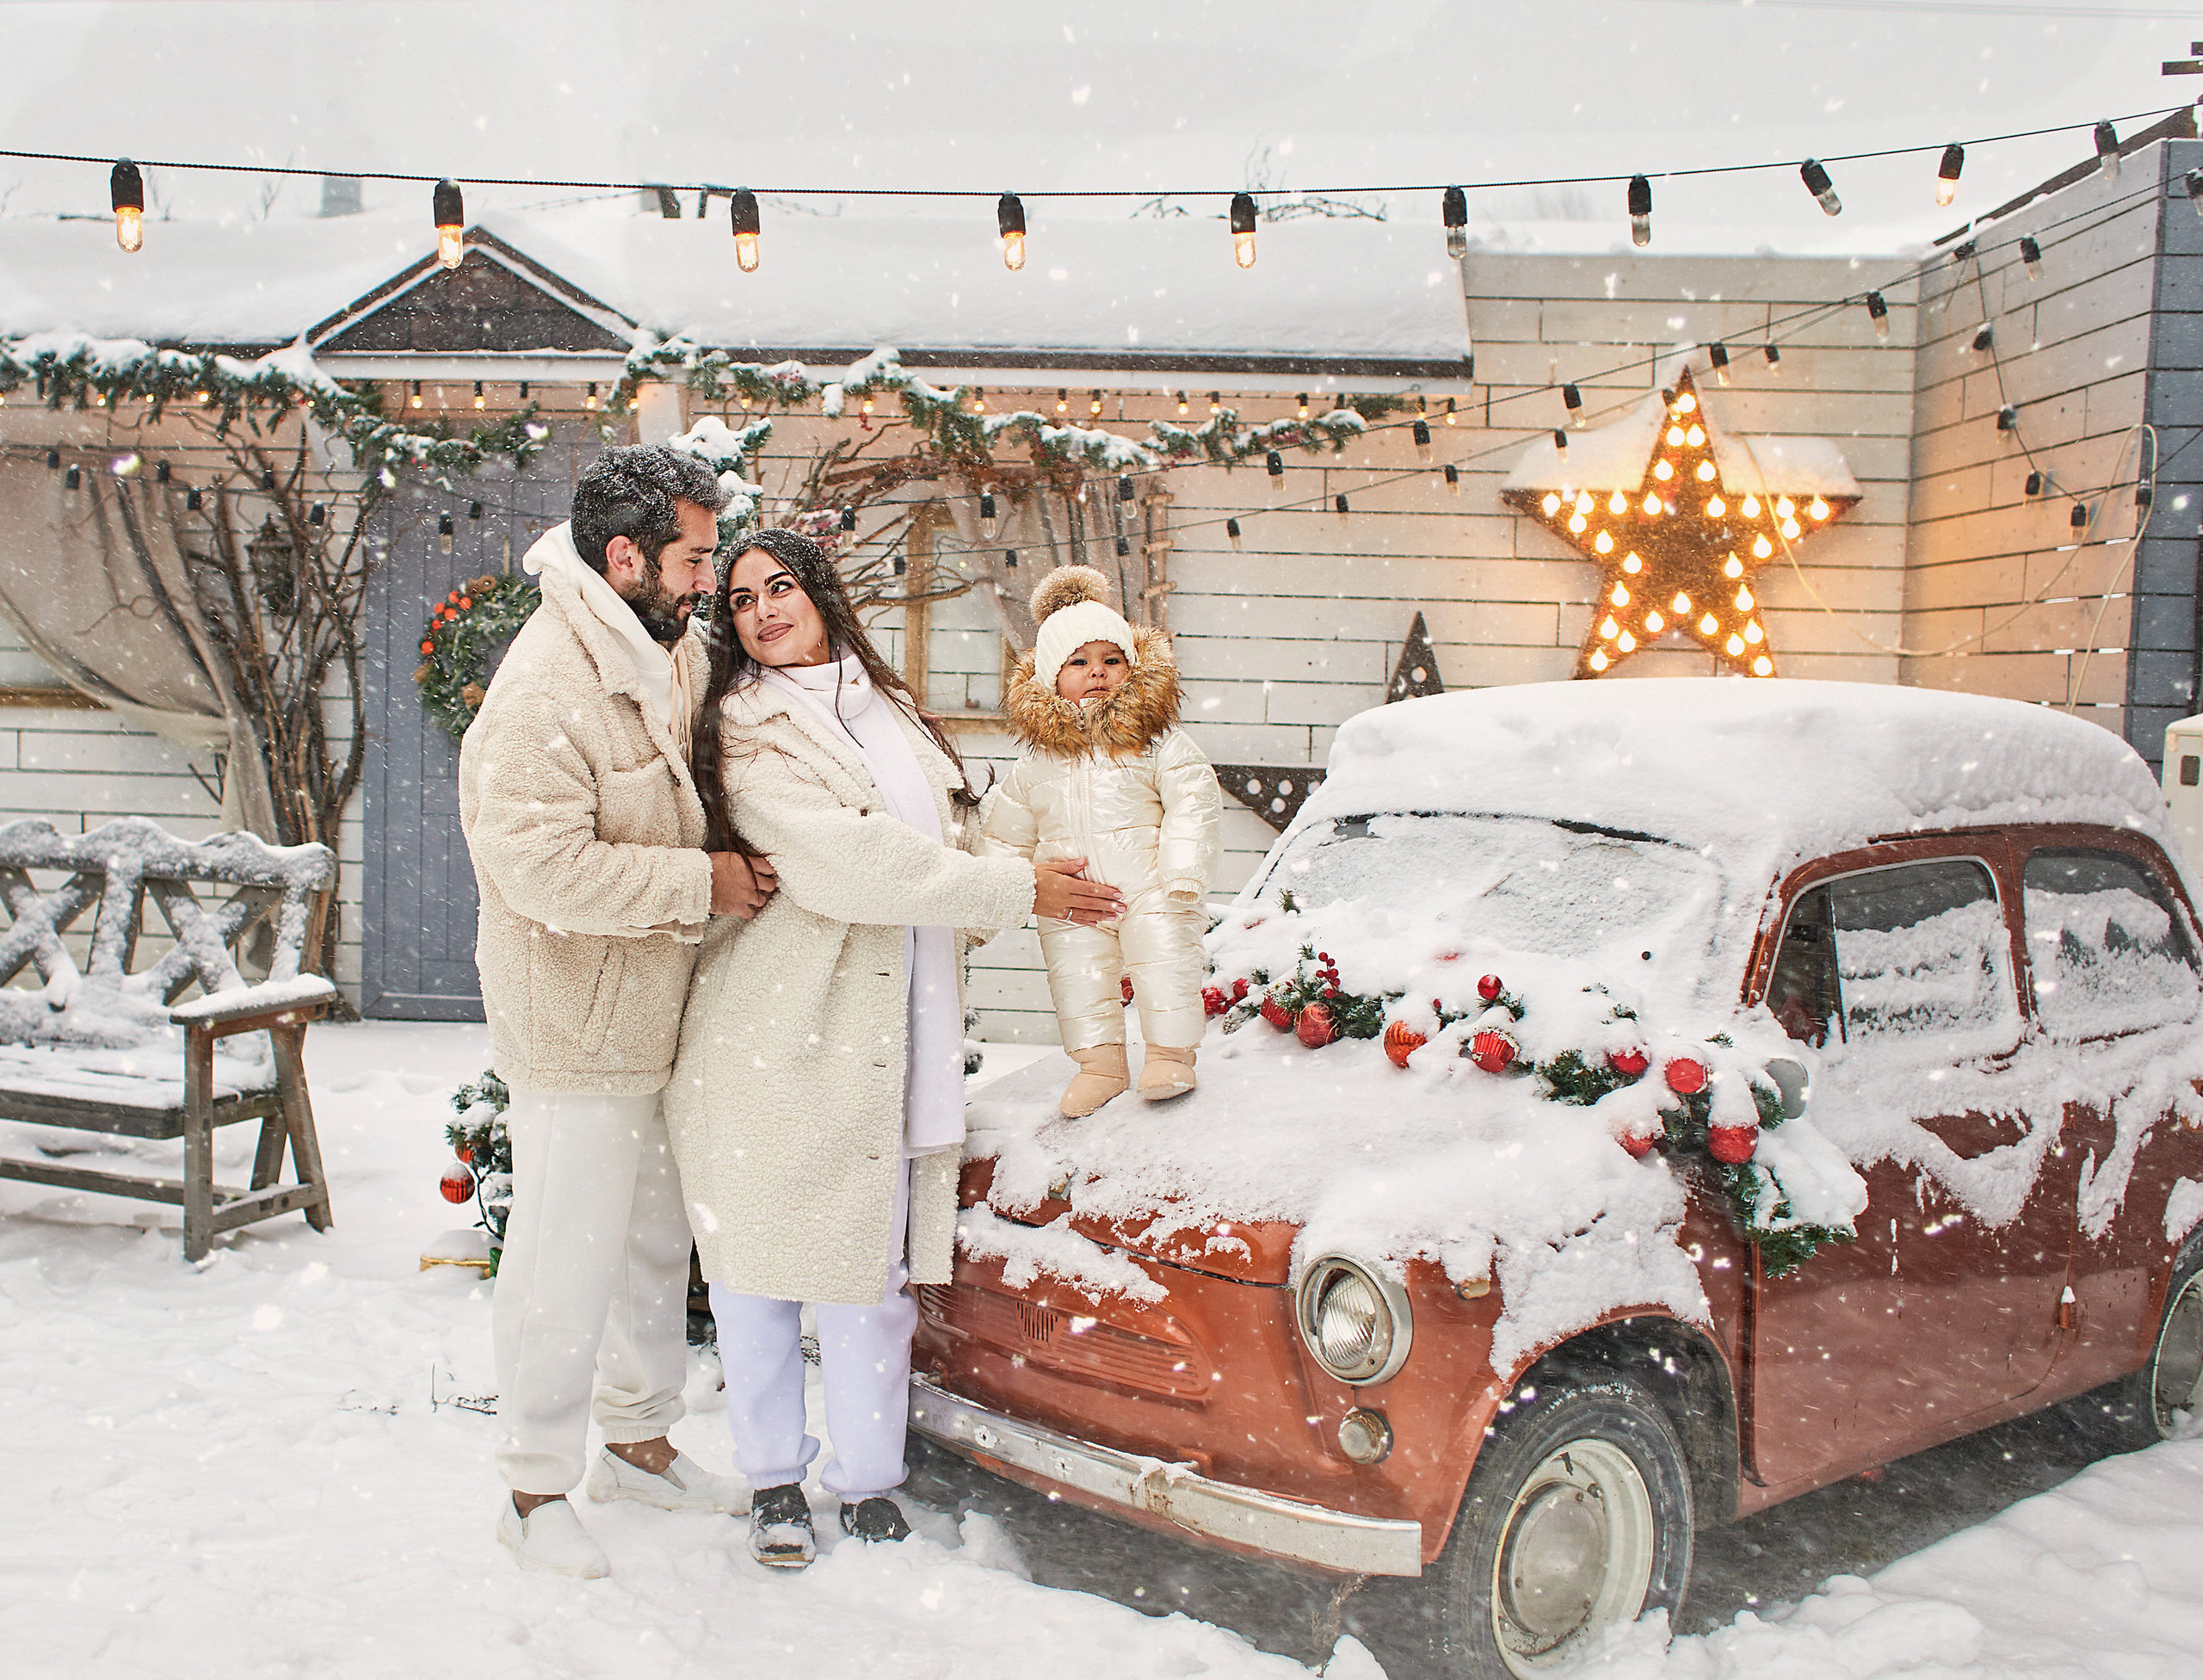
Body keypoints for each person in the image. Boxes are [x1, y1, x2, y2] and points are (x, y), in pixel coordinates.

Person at [664, 528, 1122, 1569]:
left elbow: (947, 850)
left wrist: (1042, 853)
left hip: (895, 1034)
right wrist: (1011, 888)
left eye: (780, 587)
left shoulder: (893, 713)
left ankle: (868, 1481)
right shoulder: (745, 727)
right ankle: (773, 1479)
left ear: (820, 594)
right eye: (739, 599)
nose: (764, 609)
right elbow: (846, 861)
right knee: (758, 1277)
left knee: (873, 1280)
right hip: (776, 1039)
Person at [458, 446, 776, 1579]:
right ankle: (532, 1487)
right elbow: (536, 868)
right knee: (562, 1254)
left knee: (650, 1244)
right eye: (694, 557)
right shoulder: (547, 685)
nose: (709, 580)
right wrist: (705, 886)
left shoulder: (661, 643)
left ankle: (638, 1446)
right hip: (575, 1022)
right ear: (625, 554)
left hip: (657, 1012)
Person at [984, 565, 1223, 1116]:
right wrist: (994, 899)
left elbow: (1194, 800)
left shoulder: (1155, 741)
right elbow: (1005, 833)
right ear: (1049, 677)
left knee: (1165, 964)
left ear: (1132, 667)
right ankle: (1100, 1065)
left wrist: (1183, 871)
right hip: (1072, 901)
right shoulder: (1036, 762)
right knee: (1078, 979)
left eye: (1111, 660)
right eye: (1080, 662)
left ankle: (1169, 1055)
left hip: (1152, 888)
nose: (1098, 673)